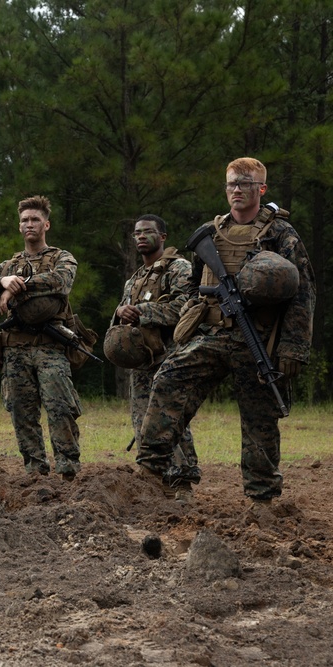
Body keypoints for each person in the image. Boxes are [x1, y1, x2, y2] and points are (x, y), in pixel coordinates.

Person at [137, 157, 316, 504]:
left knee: (260, 417)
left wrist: (294, 345)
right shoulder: (211, 232)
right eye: (231, 183)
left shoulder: (281, 234)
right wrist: (195, 310)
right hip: (214, 335)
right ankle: (150, 471)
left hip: (258, 339)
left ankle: (261, 499)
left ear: (261, 189)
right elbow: (193, 284)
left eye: (245, 184)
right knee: (169, 380)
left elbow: (304, 291)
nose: (237, 189)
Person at [0, 195, 82, 481]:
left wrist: (15, 289)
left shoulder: (61, 257)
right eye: (24, 220)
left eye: (35, 219)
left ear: (46, 224)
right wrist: (0, 282)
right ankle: (35, 473)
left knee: (60, 409)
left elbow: (61, 282)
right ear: (19, 227)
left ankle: (68, 472)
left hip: (50, 348)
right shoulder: (8, 265)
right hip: (15, 351)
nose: (29, 224)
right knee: (22, 413)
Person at [107, 214, 199, 503]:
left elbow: (187, 305)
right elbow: (124, 311)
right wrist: (121, 312)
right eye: (136, 233)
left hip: (172, 357)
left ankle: (183, 481)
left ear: (163, 237)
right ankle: (156, 479)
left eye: (148, 232)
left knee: (169, 419)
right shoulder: (134, 279)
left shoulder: (178, 267)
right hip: (143, 360)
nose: (141, 237)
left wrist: (143, 312)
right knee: (141, 419)